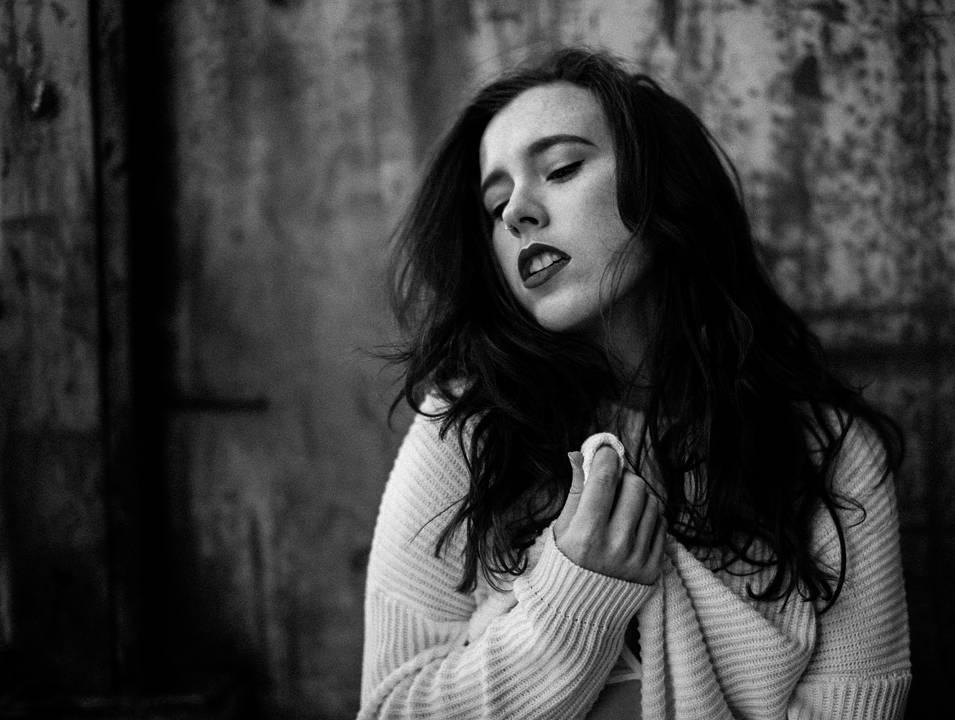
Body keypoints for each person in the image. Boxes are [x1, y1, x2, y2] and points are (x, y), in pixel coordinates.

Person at [359, 48, 911, 719]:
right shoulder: (466, 429)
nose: (515, 214)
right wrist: (573, 599)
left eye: (561, 169)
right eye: (495, 203)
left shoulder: (831, 451)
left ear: (663, 187)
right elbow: (392, 708)